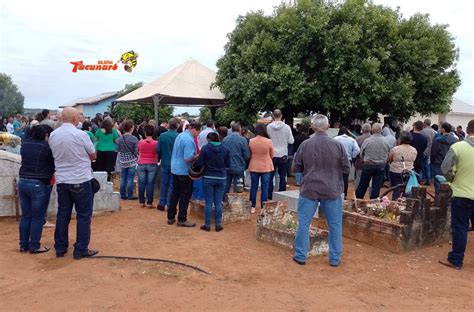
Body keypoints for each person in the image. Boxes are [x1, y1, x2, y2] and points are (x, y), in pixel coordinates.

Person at [293, 114, 350, 267]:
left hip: (309, 189)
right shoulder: (337, 145)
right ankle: (335, 259)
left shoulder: (305, 145)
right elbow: (346, 168)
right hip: (332, 189)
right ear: (327, 126)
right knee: (335, 224)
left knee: (304, 223)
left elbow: (296, 167)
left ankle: (300, 255)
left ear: (312, 127)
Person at [48, 107, 98, 259]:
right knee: (83, 215)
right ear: (75, 119)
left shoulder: (53, 135)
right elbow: (93, 156)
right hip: (80, 179)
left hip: (62, 180)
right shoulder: (80, 134)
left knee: (63, 214)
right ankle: (81, 249)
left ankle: (60, 248)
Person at [439, 119, 474, 270]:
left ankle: (456, 259)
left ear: (467, 129)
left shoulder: (458, 147)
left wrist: (453, 178)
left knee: (460, 227)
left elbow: (445, 168)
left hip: (462, 193)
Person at [18, 125, 55, 253]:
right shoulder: (47, 147)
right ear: (45, 135)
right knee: (37, 217)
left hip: (22, 181)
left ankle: (23, 245)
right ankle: (34, 245)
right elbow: (53, 165)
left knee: (26, 216)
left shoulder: (25, 144)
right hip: (39, 183)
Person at [167, 121, 201, 227]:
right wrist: (197, 156)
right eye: (198, 132)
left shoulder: (180, 136)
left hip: (175, 169)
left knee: (175, 194)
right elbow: (187, 158)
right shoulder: (189, 140)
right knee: (185, 195)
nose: (198, 135)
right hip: (184, 171)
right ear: (194, 129)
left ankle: (171, 217)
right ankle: (182, 219)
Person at [195, 132, 230, 232]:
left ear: (208, 140)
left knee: (209, 202)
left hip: (208, 177)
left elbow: (199, 163)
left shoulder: (205, 149)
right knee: (218, 202)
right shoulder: (225, 149)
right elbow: (228, 164)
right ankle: (218, 225)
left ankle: (207, 225)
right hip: (221, 178)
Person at [356, 123, 390, 199]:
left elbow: (361, 153)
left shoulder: (367, 140)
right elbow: (388, 152)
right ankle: (373, 203)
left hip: (368, 165)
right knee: (376, 187)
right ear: (381, 130)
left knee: (363, 185)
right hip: (381, 165)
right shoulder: (385, 141)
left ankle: (358, 201)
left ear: (372, 130)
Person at [266, 109, 294, 199]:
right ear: (281, 116)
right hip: (283, 154)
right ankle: (281, 195)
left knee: (270, 176)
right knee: (282, 176)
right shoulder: (286, 127)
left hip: (271, 155)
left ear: (273, 116)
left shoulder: (268, 127)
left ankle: (269, 195)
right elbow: (291, 141)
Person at [248, 123, 274, 214]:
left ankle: (252, 206)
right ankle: (263, 207)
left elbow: (249, 154)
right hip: (266, 166)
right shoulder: (269, 141)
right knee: (265, 187)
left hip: (254, 165)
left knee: (254, 186)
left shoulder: (251, 141)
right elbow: (272, 154)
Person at [156, 118, 180, 211]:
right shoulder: (179, 136)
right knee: (172, 184)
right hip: (175, 164)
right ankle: (170, 204)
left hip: (164, 162)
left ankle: (162, 203)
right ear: (177, 126)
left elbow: (158, 150)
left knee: (164, 183)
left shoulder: (162, 136)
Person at [222, 122, 250, 195]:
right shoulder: (243, 140)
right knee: (238, 189)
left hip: (227, 166)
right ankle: (236, 204)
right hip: (239, 167)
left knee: (225, 187)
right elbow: (247, 155)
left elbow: (222, 152)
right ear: (240, 129)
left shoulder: (225, 139)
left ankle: (223, 202)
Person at [388, 131, 417, 200]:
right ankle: (405, 203)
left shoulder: (395, 149)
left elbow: (389, 159)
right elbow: (414, 160)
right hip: (409, 171)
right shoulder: (414, 150)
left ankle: (395, 202)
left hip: (396, 171)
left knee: (396, 189)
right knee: (407, 189)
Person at [431, 122, 458, 194]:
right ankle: (447, 199)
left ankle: (438, 199)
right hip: (450, 164)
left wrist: (432, 161)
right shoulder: (455, 140)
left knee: (437, 182)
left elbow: (433, 152)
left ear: (443, 129)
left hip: (438, 163)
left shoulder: (437, 140)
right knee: (448, 182)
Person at [334, 127, 360, 198]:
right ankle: (344, 194)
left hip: (336, 160)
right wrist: (352, 156)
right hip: (348, 160)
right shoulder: (351, 140)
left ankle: (336, 194)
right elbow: (357, 150)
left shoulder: (335, 139)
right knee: (345, 178)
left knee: (336, 177)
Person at [117, 120, 139, 200]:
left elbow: (118, 149)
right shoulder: (134, 139)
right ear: (131, 128)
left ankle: (122, 195)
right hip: (132, 161)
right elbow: (136, 150)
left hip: (122, 160)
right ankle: (130, 195)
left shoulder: (119, 139)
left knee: (123, 178)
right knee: (130, 178)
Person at [137, 125, 158, 208]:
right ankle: (149, 202)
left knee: (141, 183)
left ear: (145, 133)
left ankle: (142, 201)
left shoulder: (140, 142)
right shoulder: (156, 143)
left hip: (141, 163)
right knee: (150, 183)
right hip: (152, 163)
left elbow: (138, 150)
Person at [354, 123, 372, 188]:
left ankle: (357, 196)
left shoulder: (357, 139)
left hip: (360, 162)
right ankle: (371, 197)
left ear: (362, 129)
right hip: (371, 163)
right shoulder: (373, 139)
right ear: (370, 129)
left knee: (358, 179)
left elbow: (355, 151)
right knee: (371, 182)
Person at [421, 119, 437, 186]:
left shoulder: (423, 131)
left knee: (423, 165)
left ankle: (423, 179)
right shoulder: (435, 132)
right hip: (432, 151)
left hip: (424, 150)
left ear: (425, 123)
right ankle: (429, 179)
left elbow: (422, 141)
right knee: (429, 166)